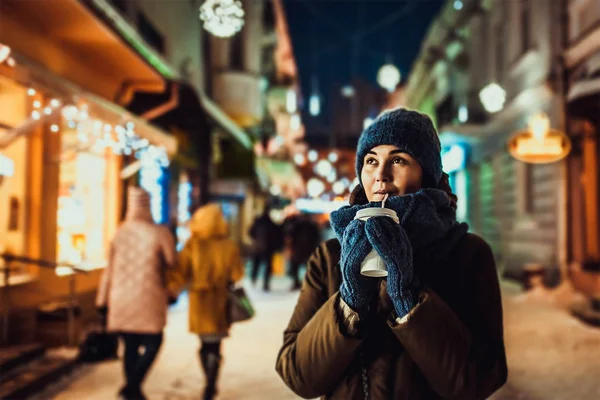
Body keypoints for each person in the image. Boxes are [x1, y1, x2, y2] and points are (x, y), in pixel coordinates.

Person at [276, 108, 507, 399]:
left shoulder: (467, 255)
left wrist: (407, 298)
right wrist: (350, 304)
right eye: (371, 161)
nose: (381, 176)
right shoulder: (329, 257)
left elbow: (478, 381)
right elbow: (298, 377)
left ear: (427, 172)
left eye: (398, 160)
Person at [96, 187, 176, 400]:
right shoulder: (159, 232)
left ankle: (133, 389)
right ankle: (133, 385)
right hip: (149, 297)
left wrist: (102, 300)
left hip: (120, 297)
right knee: (154, 342)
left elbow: (109, 269)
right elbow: (171, 261)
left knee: (129, 346)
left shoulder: (119, 232)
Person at [168, 203, 244, 400]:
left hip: (199, 301)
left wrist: (172, 289)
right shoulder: (228, 246)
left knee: (204, 343)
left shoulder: (192, 244)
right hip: (220, 300)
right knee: (216, 344)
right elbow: (237, 274)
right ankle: (211, 382)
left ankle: (209, 381)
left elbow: (180, 273)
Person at [249, 205, 283, 292]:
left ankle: (254, 279)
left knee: (256, 264)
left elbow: (251, 232)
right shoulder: (271, 223)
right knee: (267, 266)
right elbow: (277, 235)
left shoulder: (258, 222)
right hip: (268, 249)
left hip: (258, 248)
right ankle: (265, 283)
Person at [283, 214, 321, 290]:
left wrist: (290, 249)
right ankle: (308, 284)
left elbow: (291, 238)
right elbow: (317, 239)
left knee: (296, 268)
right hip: (308, 250)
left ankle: (297, 283)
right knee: (309, 268)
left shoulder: (297, 226)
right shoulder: (312, 226)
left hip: (298, 250)